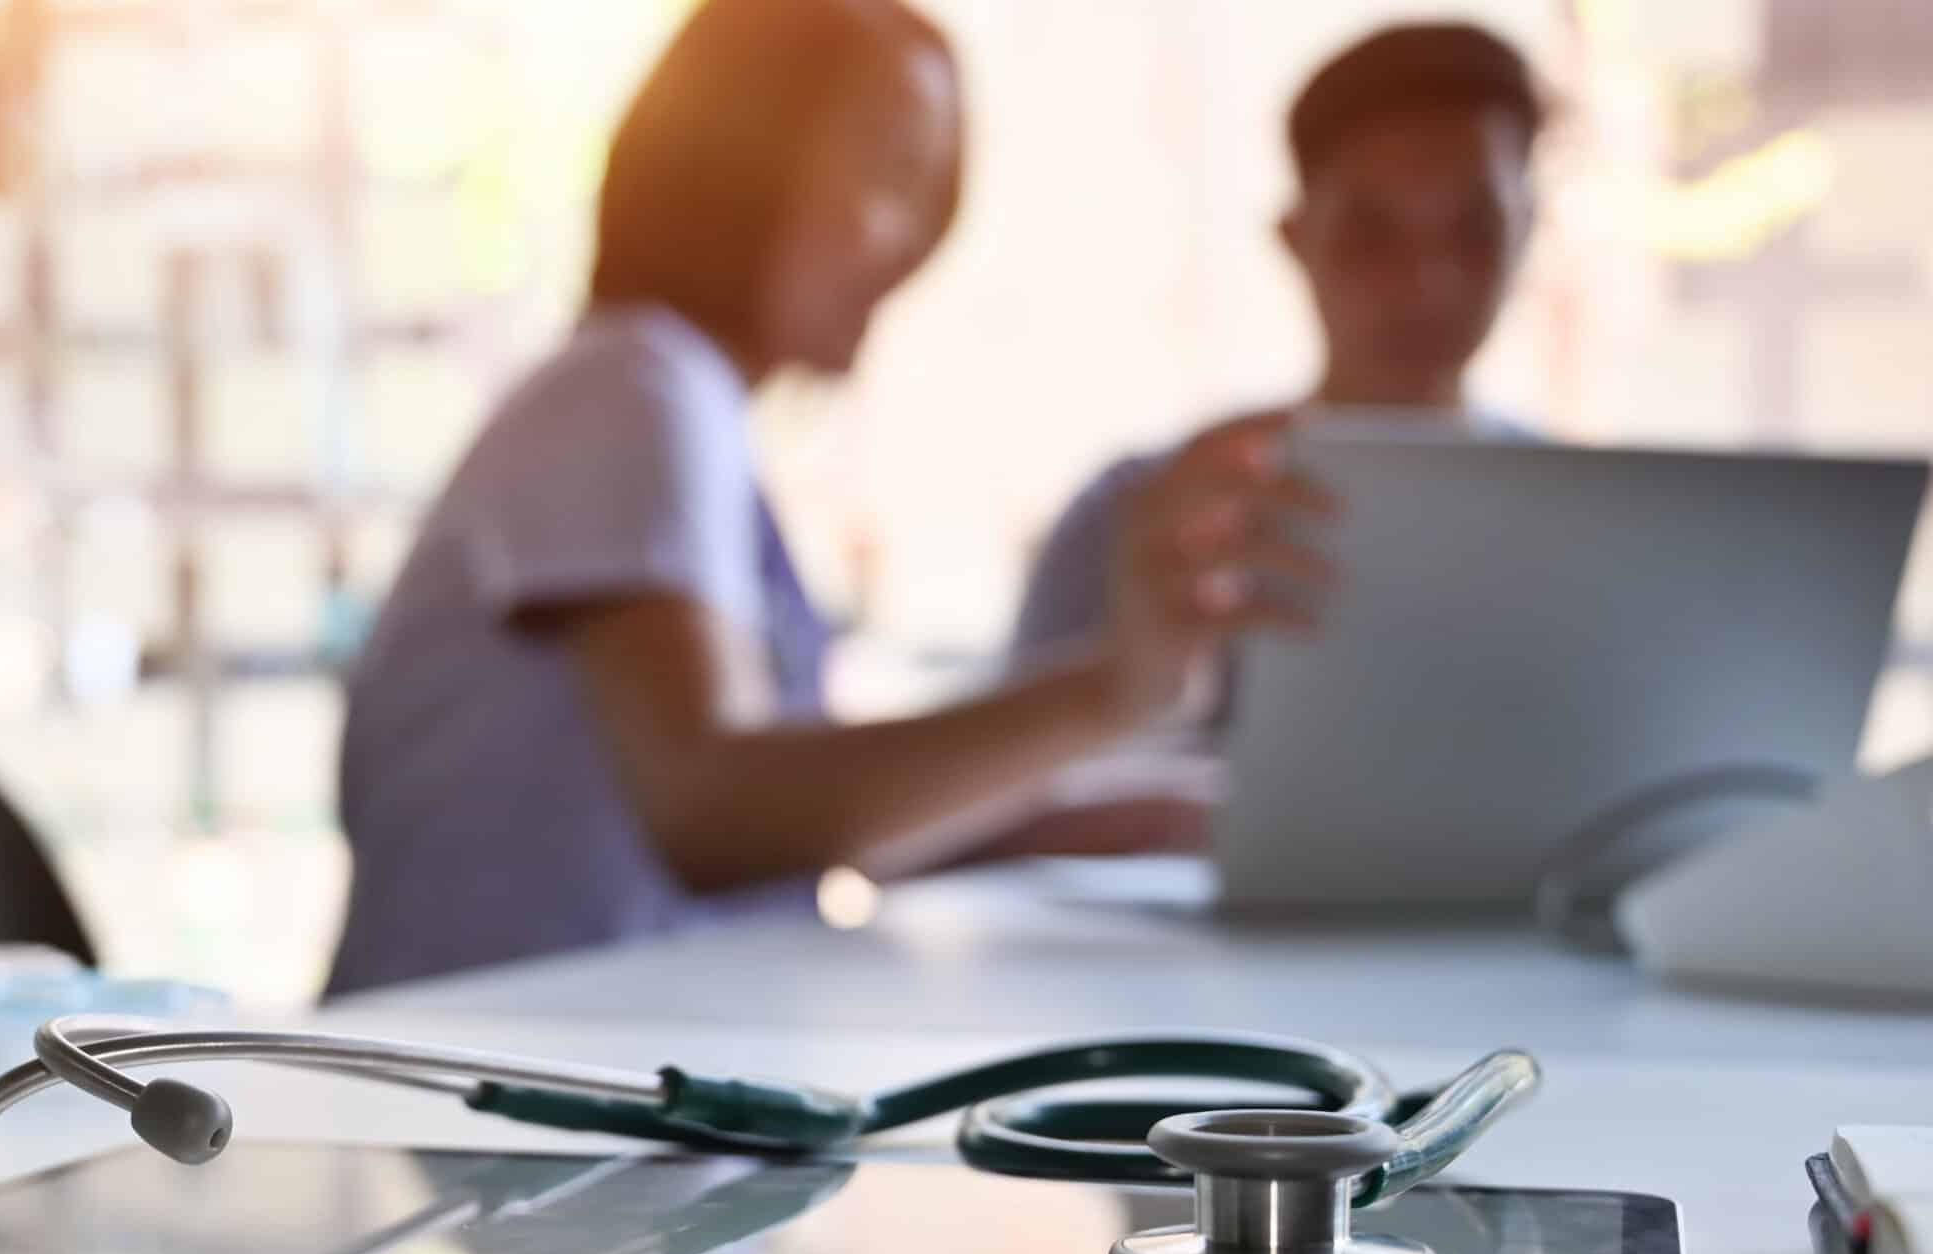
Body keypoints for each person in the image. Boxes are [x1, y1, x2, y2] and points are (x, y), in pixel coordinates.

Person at [324, 0, 1325, 995]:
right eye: (892, 175)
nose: (913, 246)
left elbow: (811, 822)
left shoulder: (670, 403)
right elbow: (715, 814)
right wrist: (1112, 690)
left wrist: (1146, 804)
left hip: (543, 1076)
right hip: (477, 1103)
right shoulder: (633, 384)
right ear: (737, 158)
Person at [1010, 21, 1545, 805]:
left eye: (1474, 233)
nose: (1424, 283)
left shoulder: (1588, 525)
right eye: (1370, 236)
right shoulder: (1139, 523)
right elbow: (975, 813)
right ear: (1296, 238)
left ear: (1526, 235)